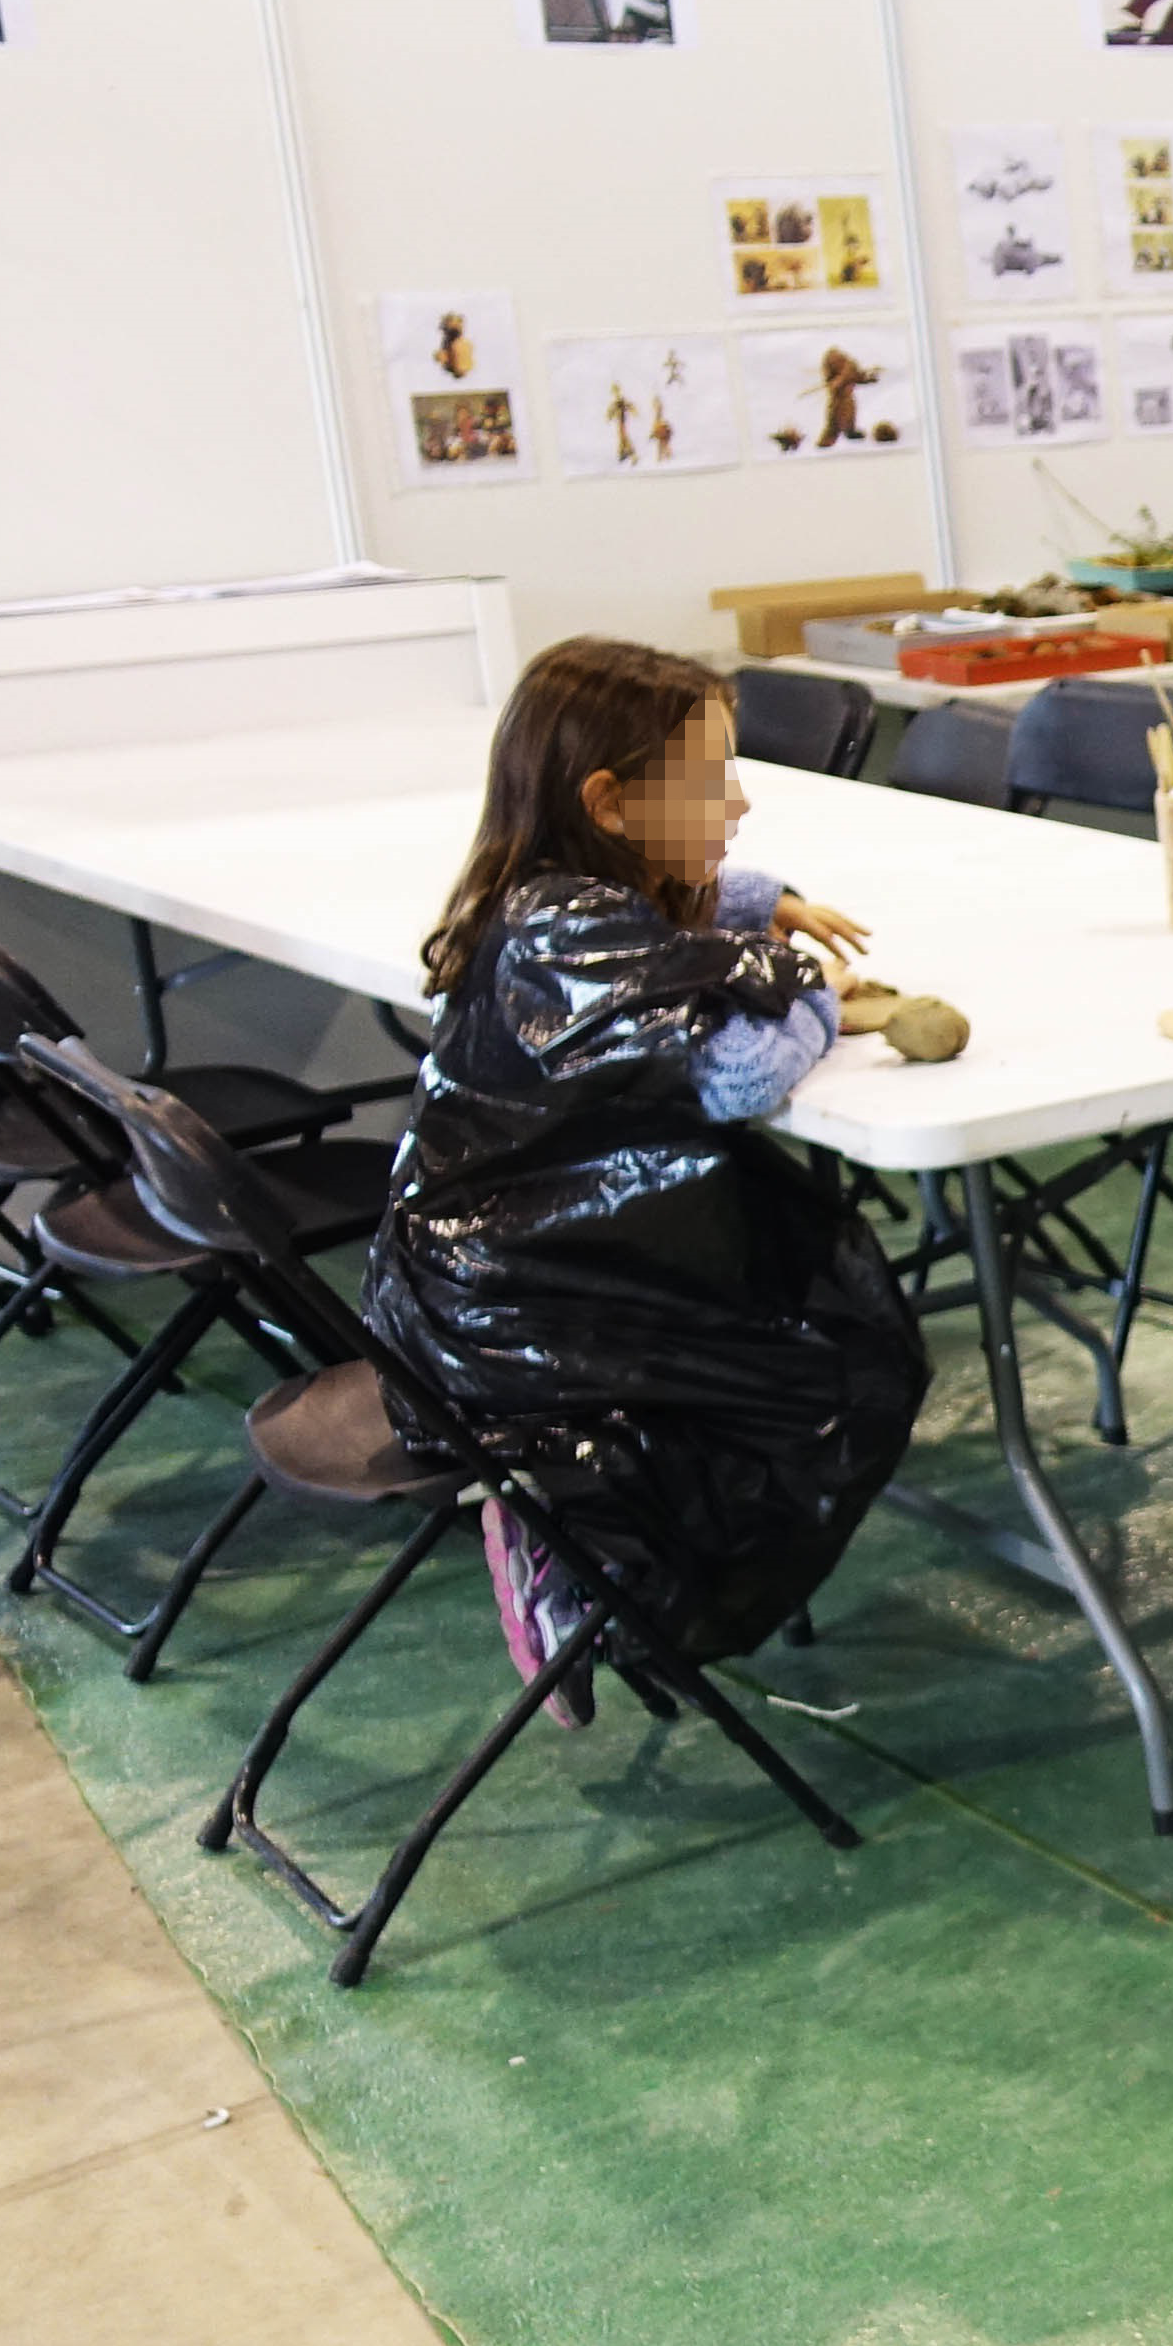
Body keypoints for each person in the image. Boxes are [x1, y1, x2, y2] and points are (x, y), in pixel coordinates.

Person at [370, 640, 921, 1694]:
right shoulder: (568, 934)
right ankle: (606, 1576)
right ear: (611, 804)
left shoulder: (540, 901)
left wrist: (755, 903)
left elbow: (655, 937)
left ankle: (592, 1536)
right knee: (837, 1368)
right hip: (514, 1328)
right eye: (711, 779)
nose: (740, 801)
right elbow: (739, 1075)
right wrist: (815, 991)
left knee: (804, 1322)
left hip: (467, 1289)